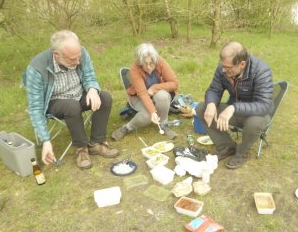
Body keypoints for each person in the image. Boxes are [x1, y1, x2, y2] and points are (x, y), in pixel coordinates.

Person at [25, 30, 119, 169]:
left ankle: (96, 144)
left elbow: (89, 76)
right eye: (72, 59)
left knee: (104, 97)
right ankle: (81, 149)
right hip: (55, 102)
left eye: (79, 56)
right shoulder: (36, 68)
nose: (78, 61)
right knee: (71, 106)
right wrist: (45, 140)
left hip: (78, 94)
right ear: (56, 55)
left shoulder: (80, 53)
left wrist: (92, 89)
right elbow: (35, 108)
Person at [195, 41, 274, 169]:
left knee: (254, 123)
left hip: (258, 114)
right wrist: (211, 104)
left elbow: (264, 105)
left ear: (242, 64)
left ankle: (242, 153)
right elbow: (214, 90)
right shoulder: (223, 67)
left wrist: (234, 107)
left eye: (228, 67)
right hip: (235, 111)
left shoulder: (261, 70)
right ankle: (226, 145)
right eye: (223, 65)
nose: (223, 70)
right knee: (201, 108)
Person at [112, 43, 179, 141]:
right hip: (138, 96)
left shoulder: (161, 62)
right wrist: (152, 112)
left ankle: (164, 124)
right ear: (139, 62)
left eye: (151, 63)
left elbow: (174, 84)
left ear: (155, 60)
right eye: (145, 64)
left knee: (162, 96)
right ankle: (126, 128)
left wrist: (154, 88)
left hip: (156, 94)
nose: (148, 67)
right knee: (147, 115)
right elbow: (143, 94)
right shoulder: (134, 69)